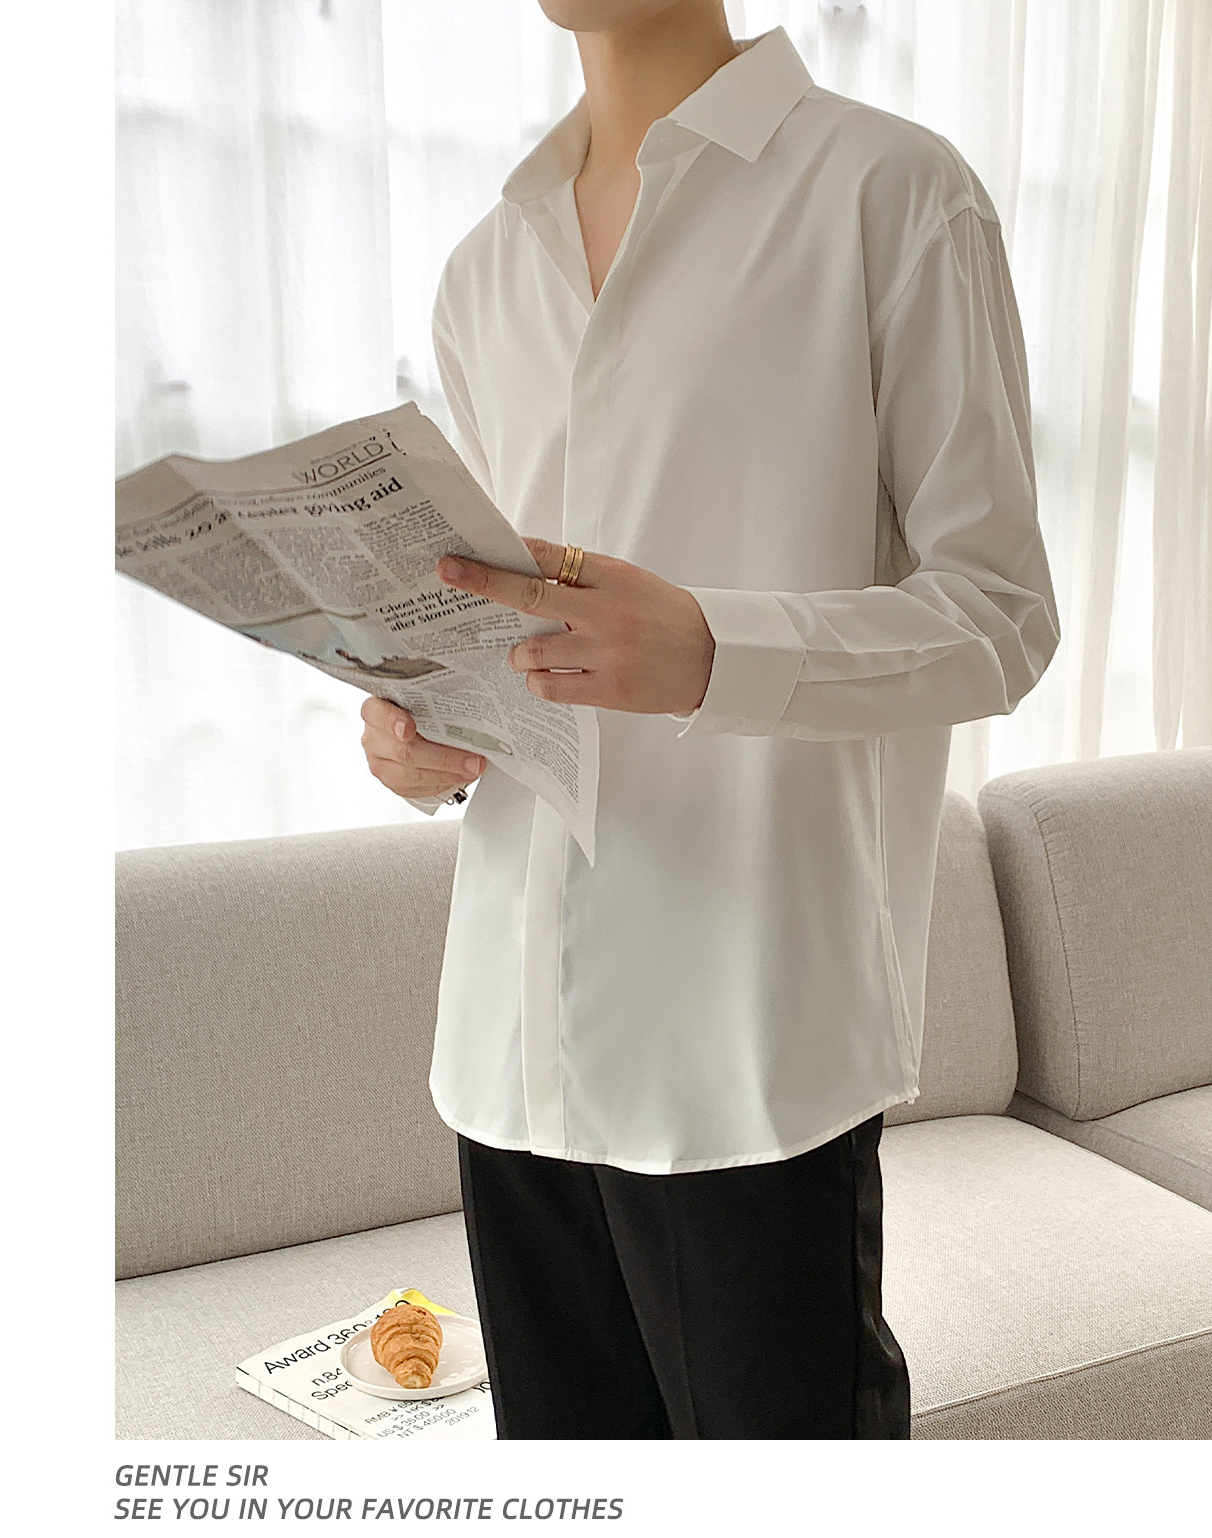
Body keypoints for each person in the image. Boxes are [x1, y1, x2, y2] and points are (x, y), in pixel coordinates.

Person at [359, 0, 1059, 1440]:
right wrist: (422, 739)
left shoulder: (890, 193)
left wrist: (713, 651)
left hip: (745, 1042)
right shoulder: (484, 271)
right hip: (506, 1050)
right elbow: (496, 623)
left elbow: (999, 616)